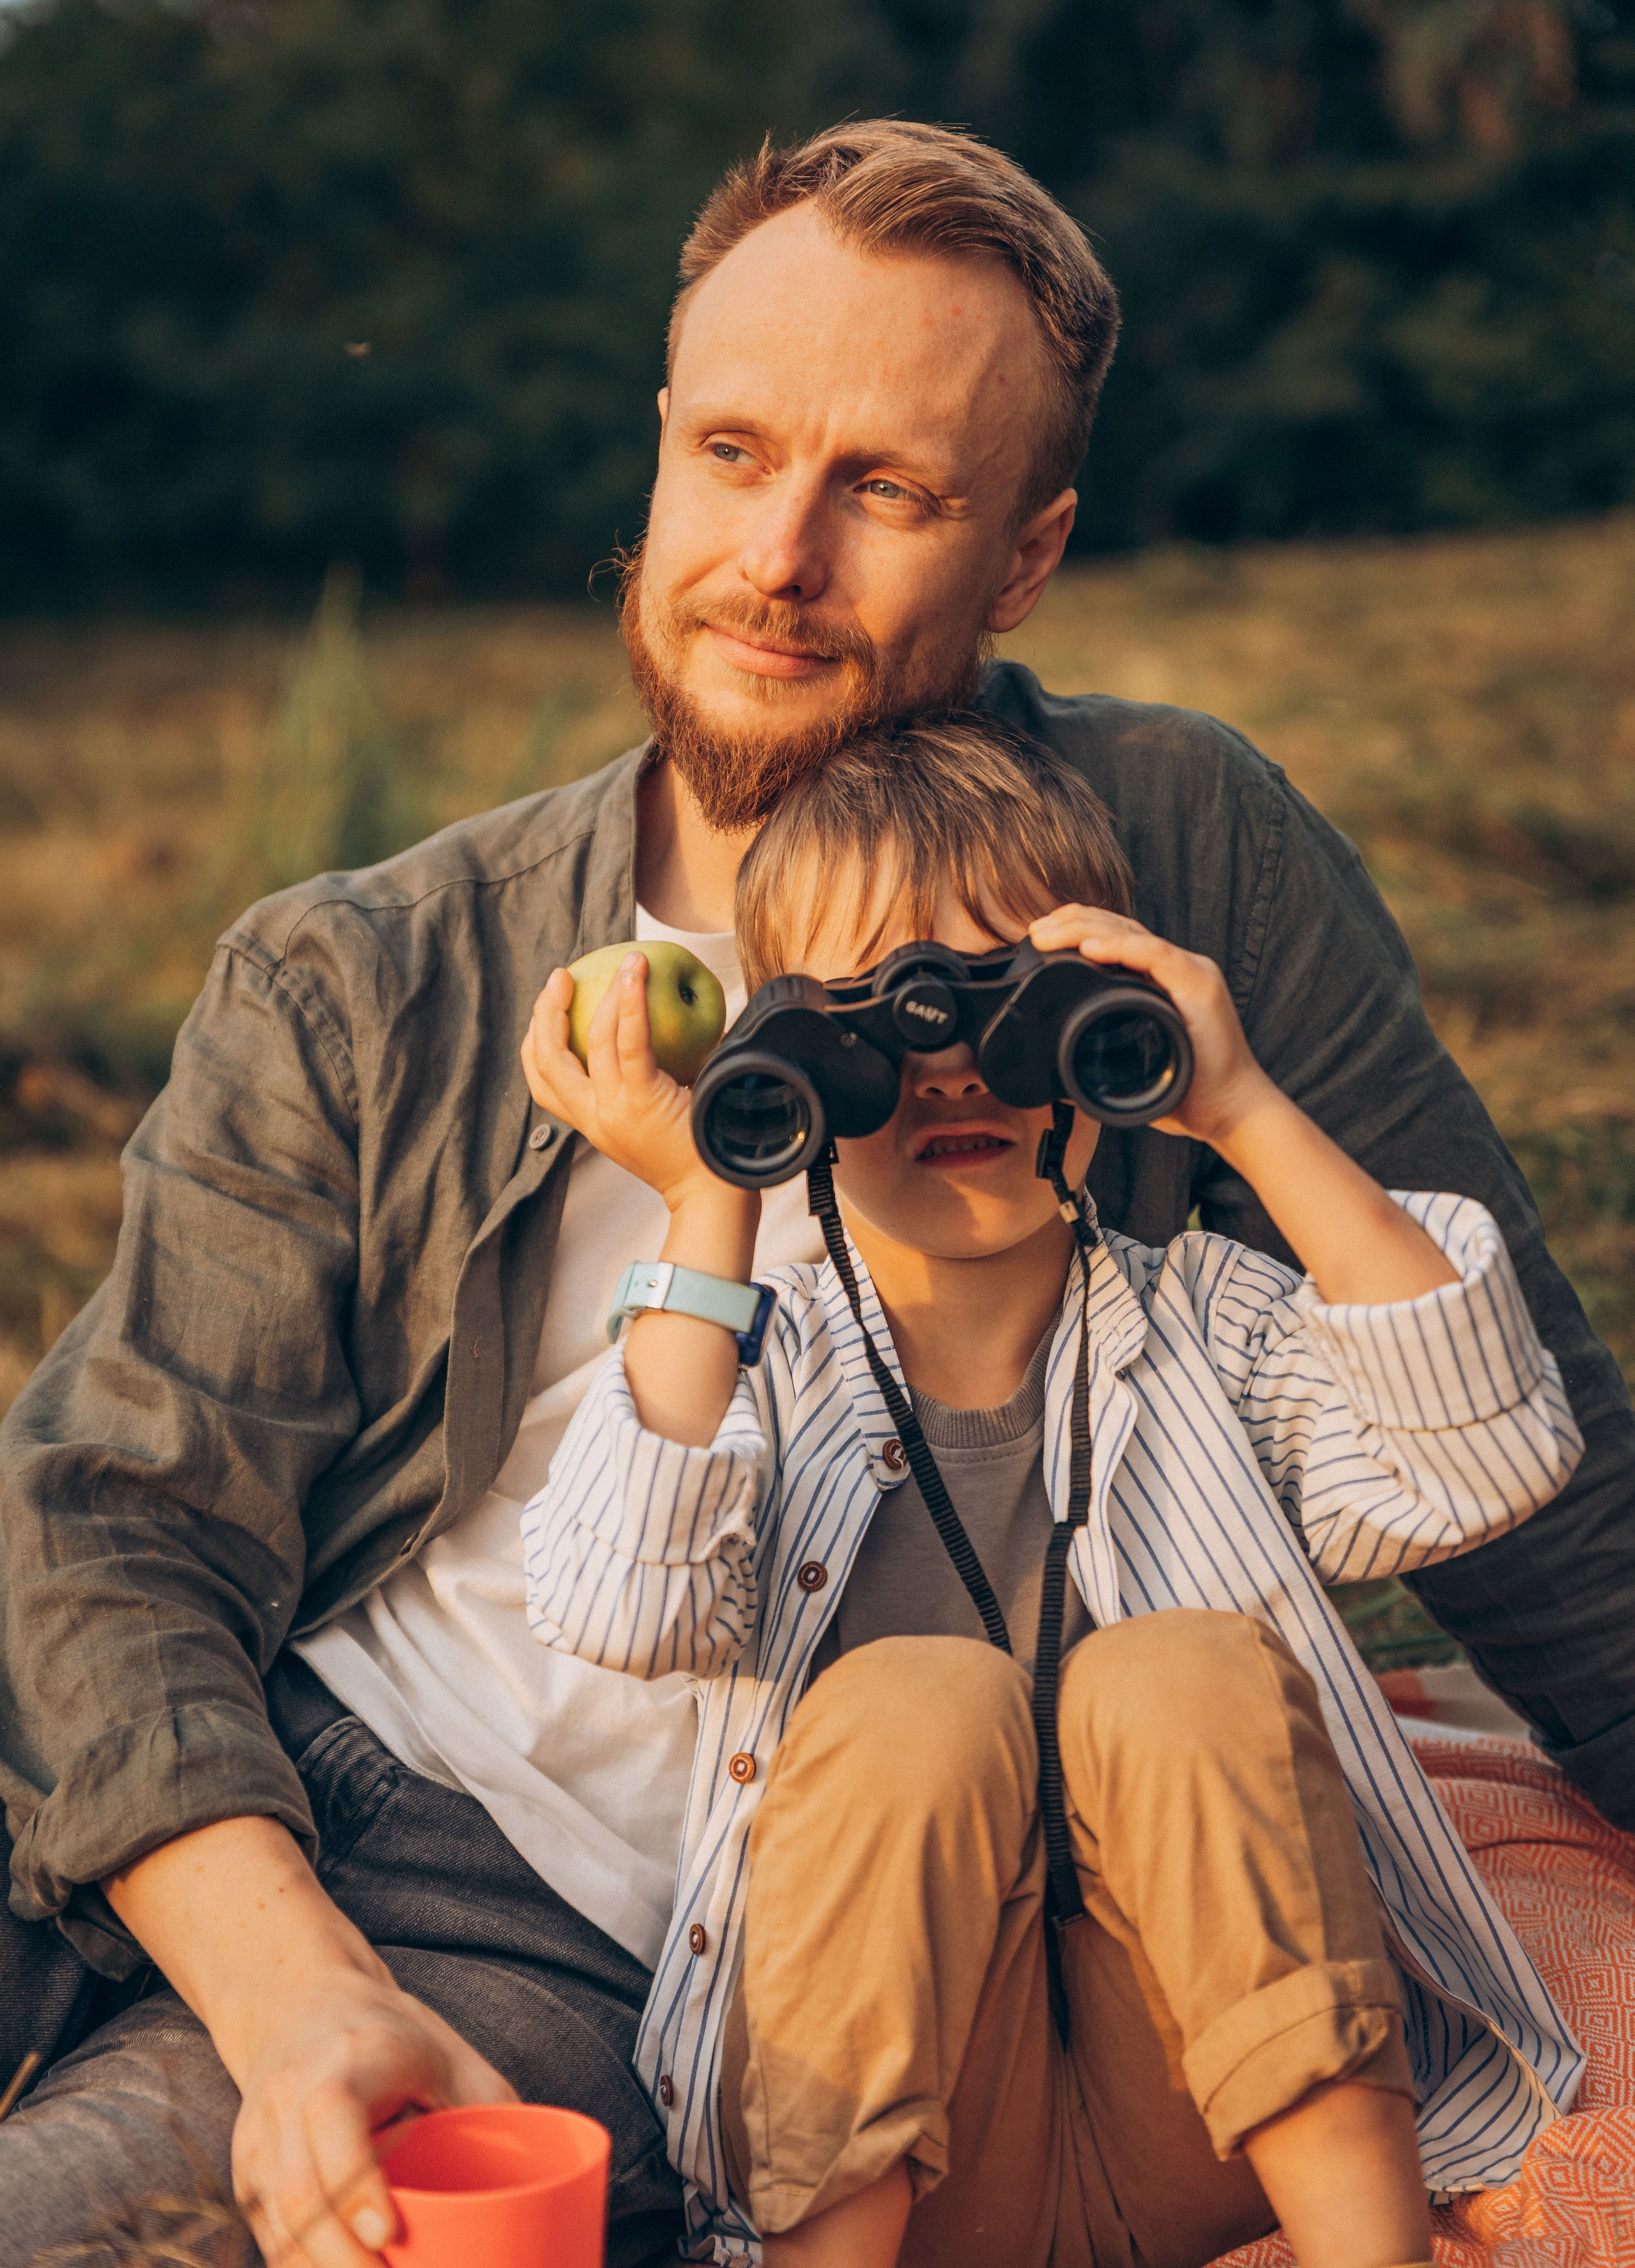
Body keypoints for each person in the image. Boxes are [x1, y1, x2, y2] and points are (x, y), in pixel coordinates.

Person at [0, 117, 1627, 2268]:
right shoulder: (369, 968)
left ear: (1024, 557)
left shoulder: (1163, 853)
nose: (777, 555)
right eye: (734, 452)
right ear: (658, 453)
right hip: (319, 1797)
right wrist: (294, 1981)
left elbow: (1538, 1482)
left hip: (612, 1922)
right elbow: (115, 1525)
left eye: (890, 488)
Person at [517, 713, 1583, 2268]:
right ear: (791, 1055)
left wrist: (1241, 1108)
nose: (950, 1059)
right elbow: (620, 1599)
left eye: (1011, 1001)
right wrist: (705, 1194)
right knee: (911, 1710)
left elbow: (1481, 1452)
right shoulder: (759, 1370)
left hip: (1222, 2111)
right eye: (877, 1021)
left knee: (1172, 1674)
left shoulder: (1203, 1323)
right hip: (909, 2164)